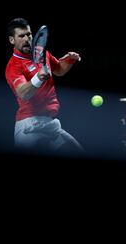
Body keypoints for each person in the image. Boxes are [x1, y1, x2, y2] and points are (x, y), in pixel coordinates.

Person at [5, 18, 84, 153]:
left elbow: (59, 69)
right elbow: (23, 93)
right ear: (12, 40)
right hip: (29, 126)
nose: (26, 39)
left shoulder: (42, 53)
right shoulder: (13, 67)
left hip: (51, 124)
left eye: (28, 35)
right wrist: (38, 77)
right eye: (21, 36)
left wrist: (69, 60)